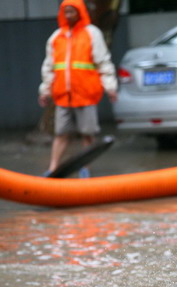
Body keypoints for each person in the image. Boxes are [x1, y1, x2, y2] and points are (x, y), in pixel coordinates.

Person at [39, 0, 117, 178]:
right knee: (60, 134)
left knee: (87, 134)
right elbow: (49, 67)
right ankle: (52, 169)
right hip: (62, 96)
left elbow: (103, 62)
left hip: (85, 94)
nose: (68, 15)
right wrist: (45, 91)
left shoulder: (92, 34)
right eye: (65, 12)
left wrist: (110, 87)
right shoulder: (56, 37)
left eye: (71, 12)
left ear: (79, 12)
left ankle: (85, 169)